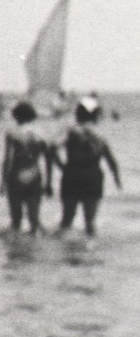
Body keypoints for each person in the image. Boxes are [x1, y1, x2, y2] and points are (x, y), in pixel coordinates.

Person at [55, 98, 122, 236]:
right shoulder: (99, 135)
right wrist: (117, 179)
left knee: (67, 219)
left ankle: (63, 254)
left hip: (71, 175)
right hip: (93, 176)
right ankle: (90, 253)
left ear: (78, 113)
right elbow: (111, 161)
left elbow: (51, 147)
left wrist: (61, 166)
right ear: (95, 114)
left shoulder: (71, 132)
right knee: (90, 222)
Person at [0, 100, 52, 234]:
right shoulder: (41, 134)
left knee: (16, 221)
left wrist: (3, 181)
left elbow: (7, 159)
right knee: (34, 220)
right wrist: (49, 182)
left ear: (16, 116)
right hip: (34, 175)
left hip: (16, 176)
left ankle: (17, 250)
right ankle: (33, 250)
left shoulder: (12, 133)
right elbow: (48, 159)